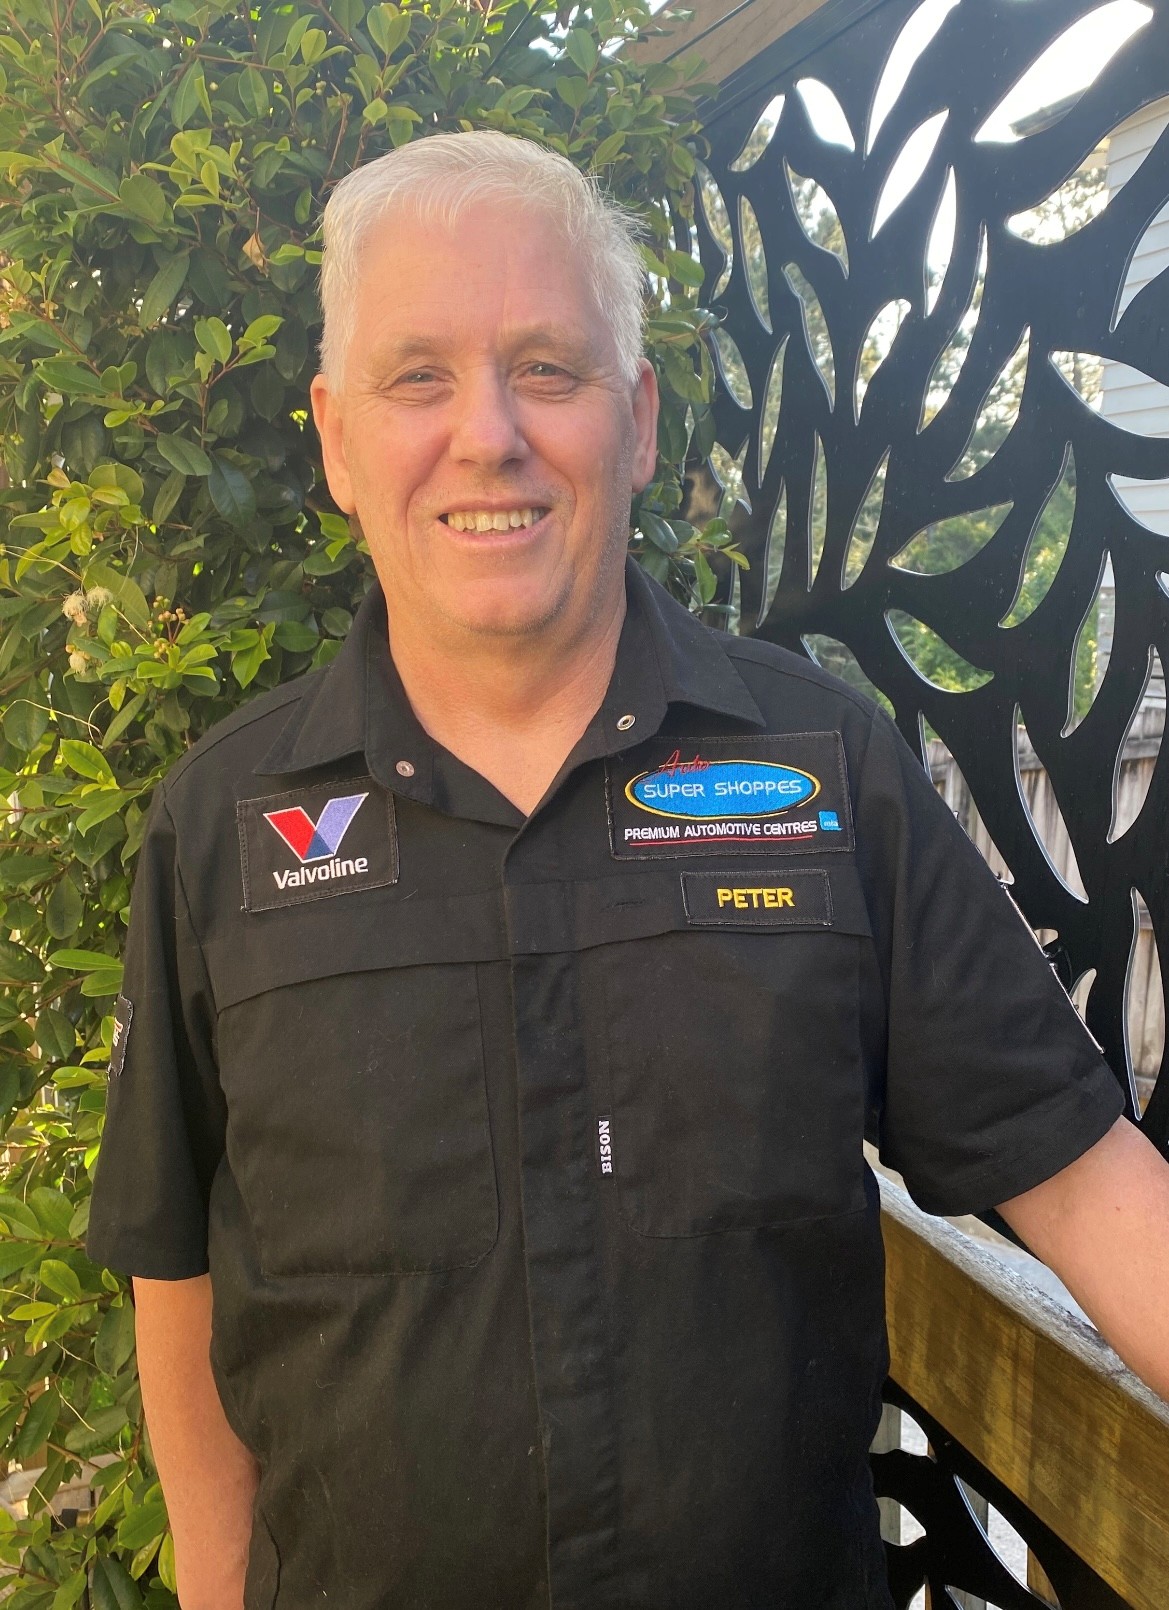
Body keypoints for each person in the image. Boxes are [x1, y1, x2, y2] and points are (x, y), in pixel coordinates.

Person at [87, 130, 1169, 1610]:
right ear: (336, 439)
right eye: (418, 378)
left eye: (547, 368)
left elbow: (1090, 1187)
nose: (488, 435)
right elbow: (178, 1269)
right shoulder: (219, 825)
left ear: (639, 419)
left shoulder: (828, 774)